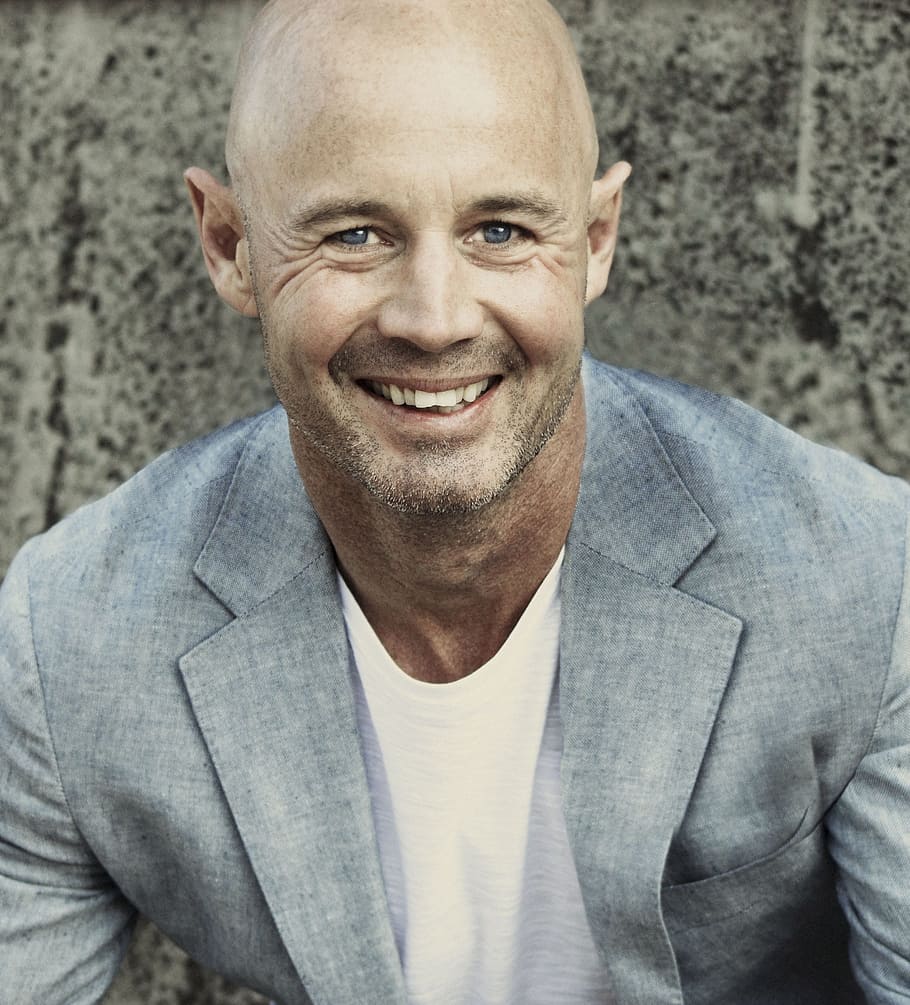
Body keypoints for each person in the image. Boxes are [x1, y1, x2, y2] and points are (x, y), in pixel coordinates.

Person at [1, 0, 908, 1001]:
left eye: (501, 230)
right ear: (228, 246)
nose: (434, 318)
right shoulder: (70, 640)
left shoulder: (861, 582)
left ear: (596, 240)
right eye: (354, 233)